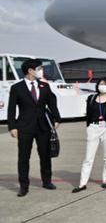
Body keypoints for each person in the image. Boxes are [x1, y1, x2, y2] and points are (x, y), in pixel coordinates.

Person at [7, 58, 61, 197]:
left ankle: (47, 181)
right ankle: (24, 186)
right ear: (30, 71)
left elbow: (52, 104)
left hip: (43, 126)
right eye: (39, 68)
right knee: (24, 157)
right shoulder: (17, 88)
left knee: (45, 155)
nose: (41, 71)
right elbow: (11, 109)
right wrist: (12, 127)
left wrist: (57, 118)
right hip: (24, 127)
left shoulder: (44, 86)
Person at [73, 77, 106, 193]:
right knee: (88, 158)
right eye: (100, 83)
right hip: (93, 128)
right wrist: (89, 127)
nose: (102, 85)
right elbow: (88, 114)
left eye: (105, 84)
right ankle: (82, 183)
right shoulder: (91, 98)